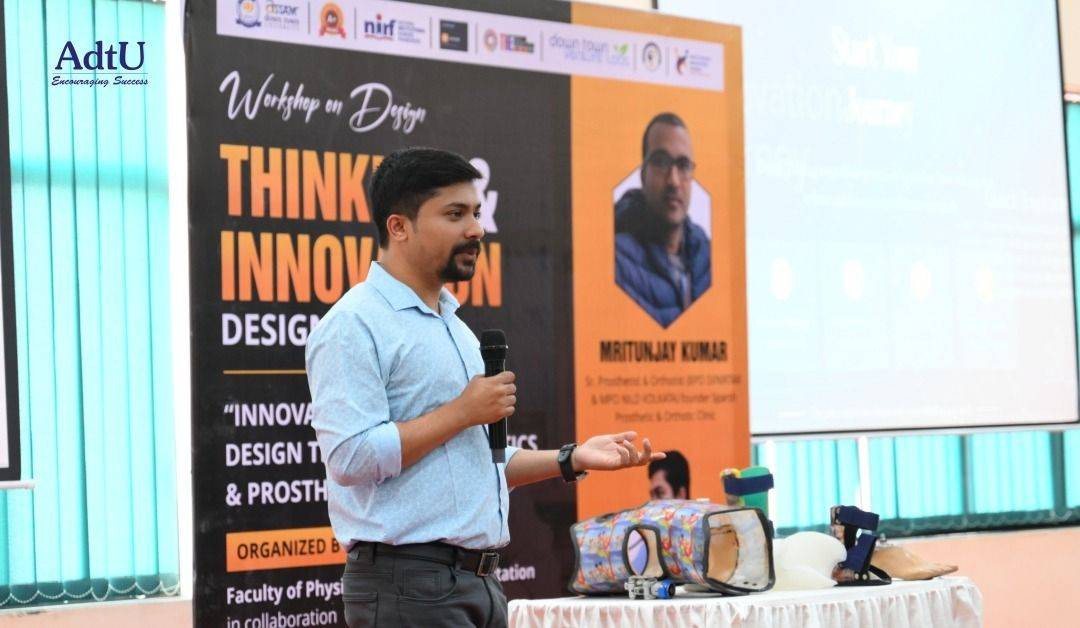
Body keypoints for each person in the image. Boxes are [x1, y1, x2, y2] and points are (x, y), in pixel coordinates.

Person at [306, 147, 665, 628]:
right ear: (399, 227)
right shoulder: (353, 325)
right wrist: (462, 412)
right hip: (409, 586)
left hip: (479, 582)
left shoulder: (453, 326)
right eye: (455, 214)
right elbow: (350, 459)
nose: (476, 229)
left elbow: (477, 458)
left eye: (476, 213)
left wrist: (573, 458)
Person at [615, 112, 711, 328]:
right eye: (660, 162)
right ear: (643, 176)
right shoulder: (615, 261)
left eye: (683, 165)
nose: (674, 181)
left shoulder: (708, 254)